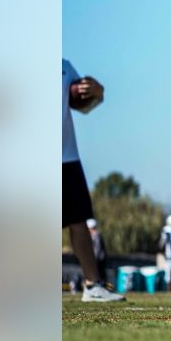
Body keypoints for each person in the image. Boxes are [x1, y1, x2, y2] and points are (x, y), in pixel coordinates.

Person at [62, 60, 124, 302]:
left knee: (79, 222)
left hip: (65, 155)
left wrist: (98, 93)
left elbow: (83, 105)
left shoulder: (64, 66)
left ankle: (93, 286)